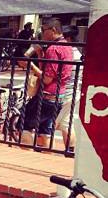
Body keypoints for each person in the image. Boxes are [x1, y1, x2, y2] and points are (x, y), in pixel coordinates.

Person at [21, 18, 73, 148]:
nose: (42, 33)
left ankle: (23, 155)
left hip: (46, 96)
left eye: (43, 30)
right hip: (58, 96)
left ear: (53, 30)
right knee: (44, 131)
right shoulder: (67, 46)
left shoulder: (53, 49)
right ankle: (45, 156)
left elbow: (46, 79)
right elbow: (49, 70)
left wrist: (30, 66)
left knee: (24, 125)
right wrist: (39, 53)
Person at [54, 25, 83, 151]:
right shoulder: (77, 52)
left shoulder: (68, 52)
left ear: (69, 38)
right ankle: (70, 150)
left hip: (65, 92)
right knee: (66, 123)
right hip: (74, 91)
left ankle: (46, 150)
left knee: (51, 123)